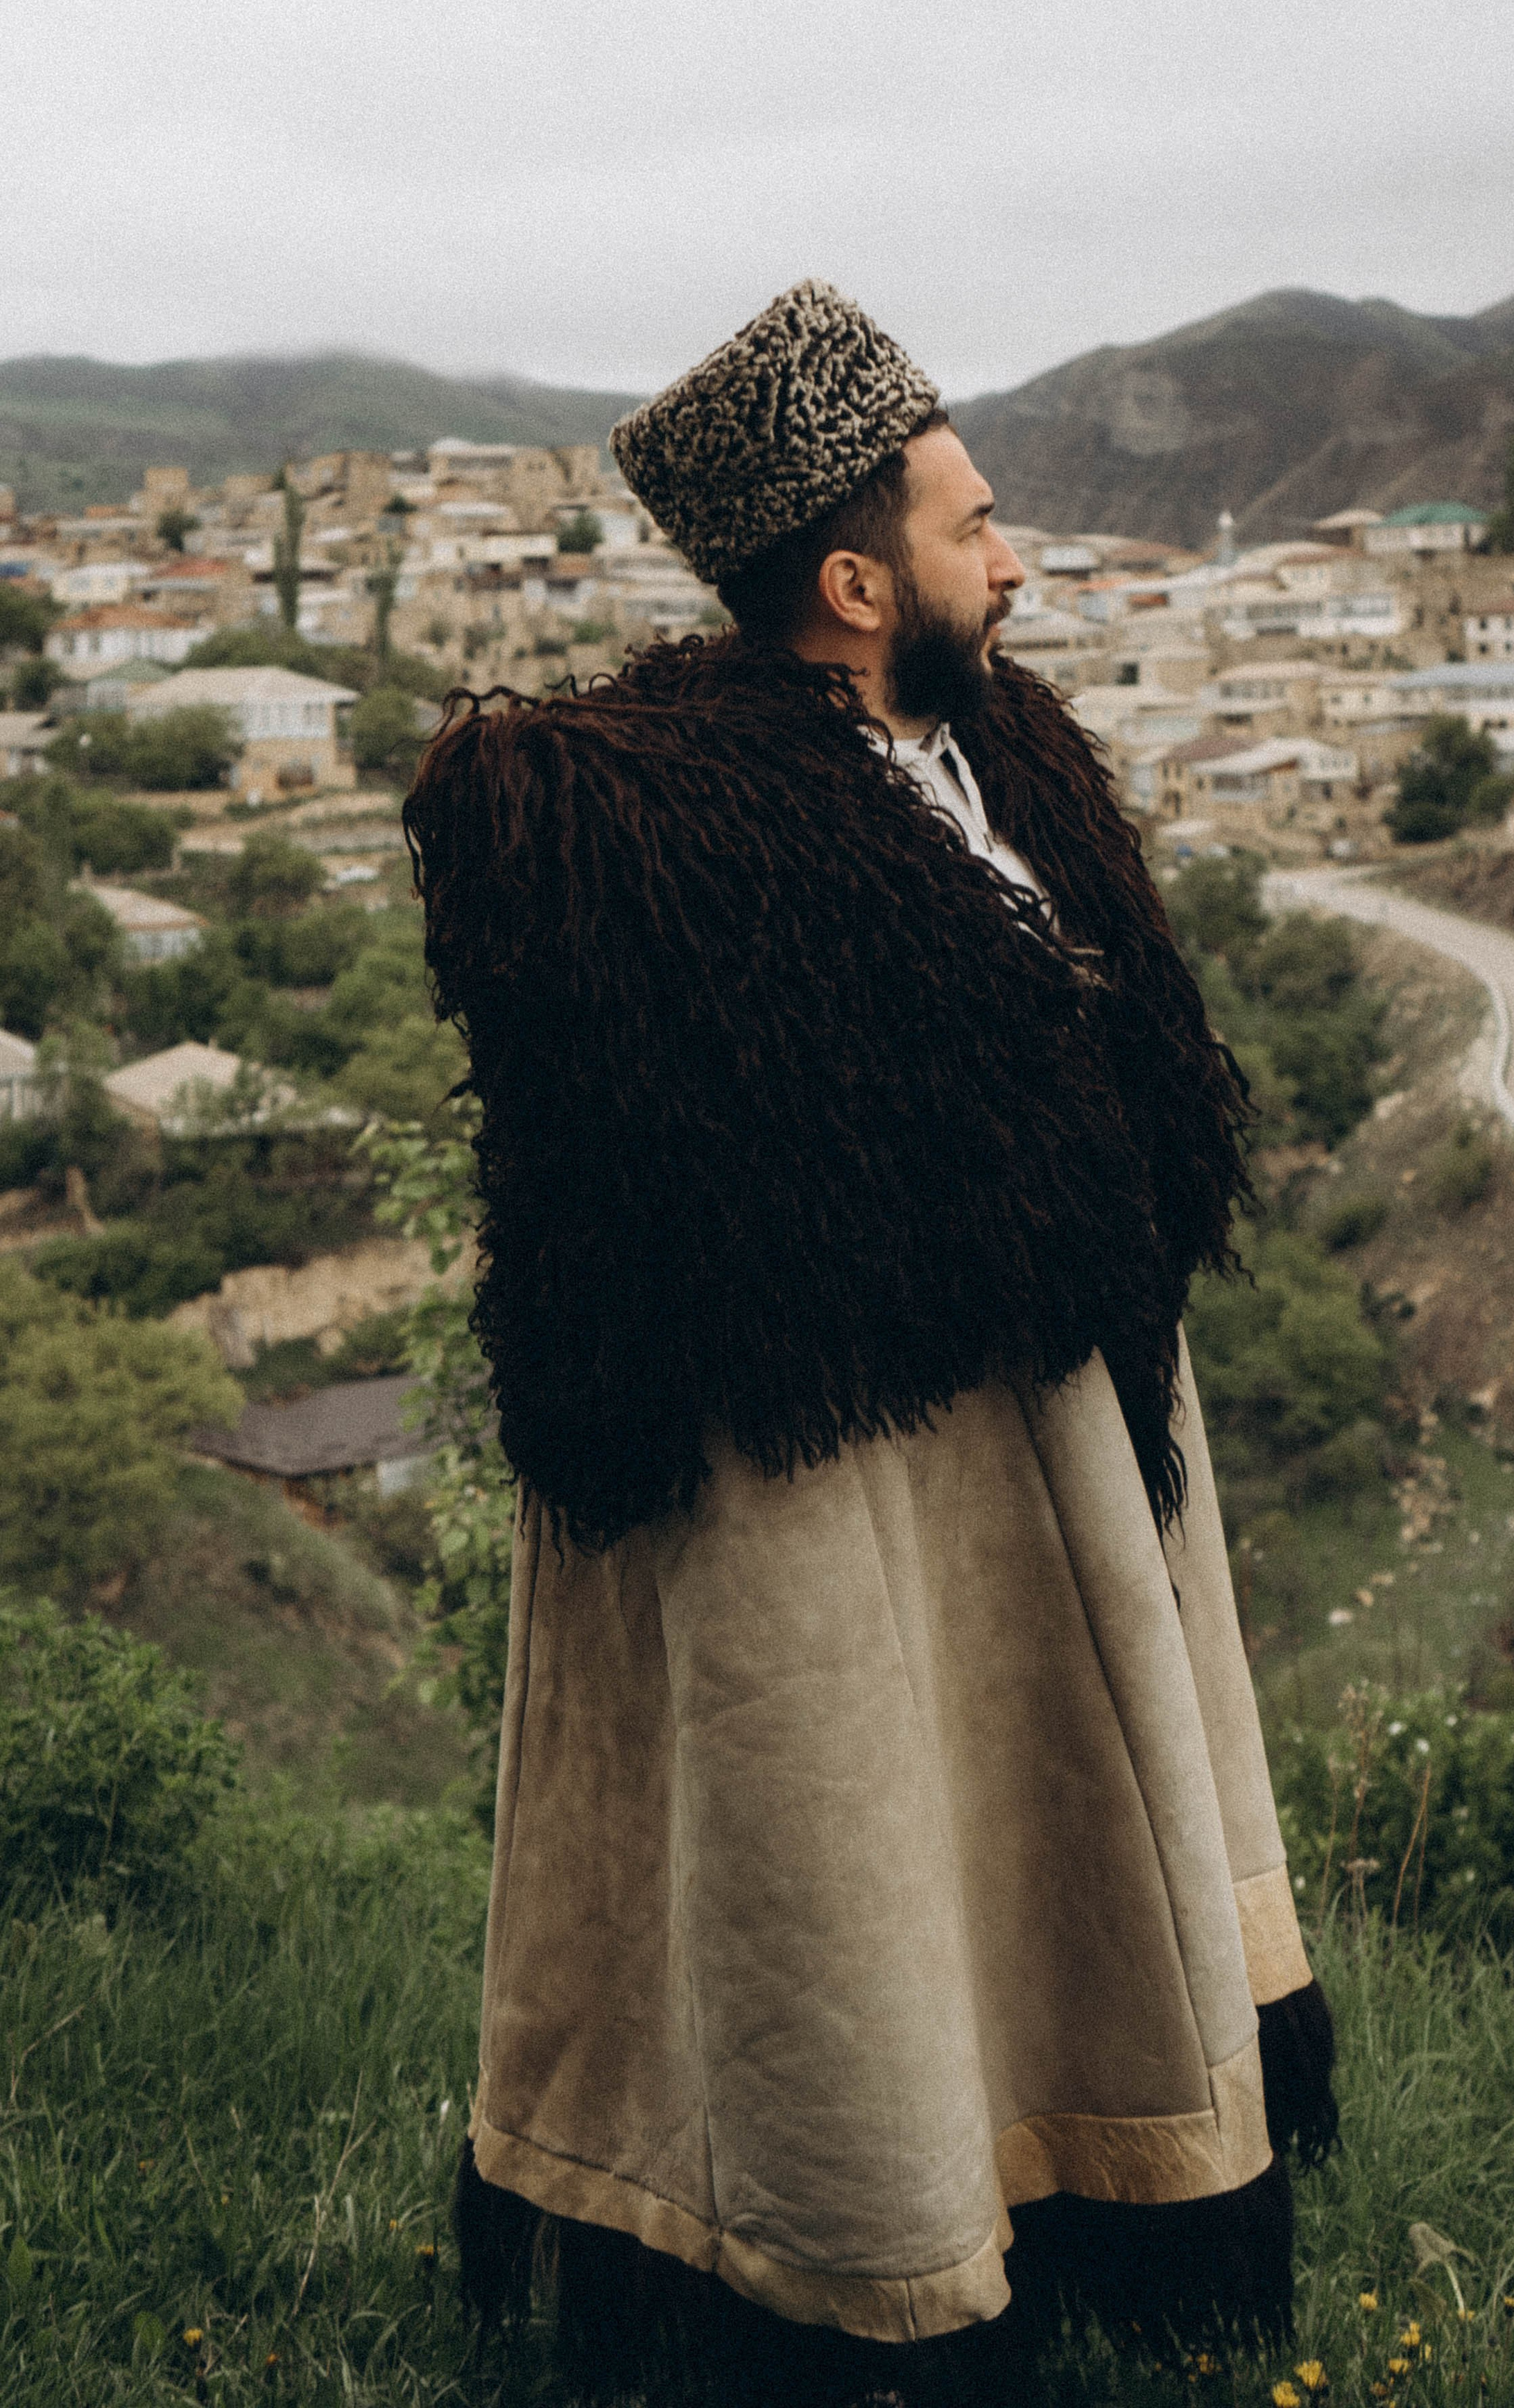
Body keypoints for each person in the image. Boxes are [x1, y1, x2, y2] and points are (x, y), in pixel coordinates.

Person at [404, 281, 1336, 2406]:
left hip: (1044, 1441)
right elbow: (710, 1190)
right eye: (973, 524)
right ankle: (850, 2265)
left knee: (1030, 1855)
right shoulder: (653, 847)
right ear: (852, 580)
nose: (1013, 561)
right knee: (848, 1871)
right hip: (840, 1491)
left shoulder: (996, 758)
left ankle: (1074, 2173)